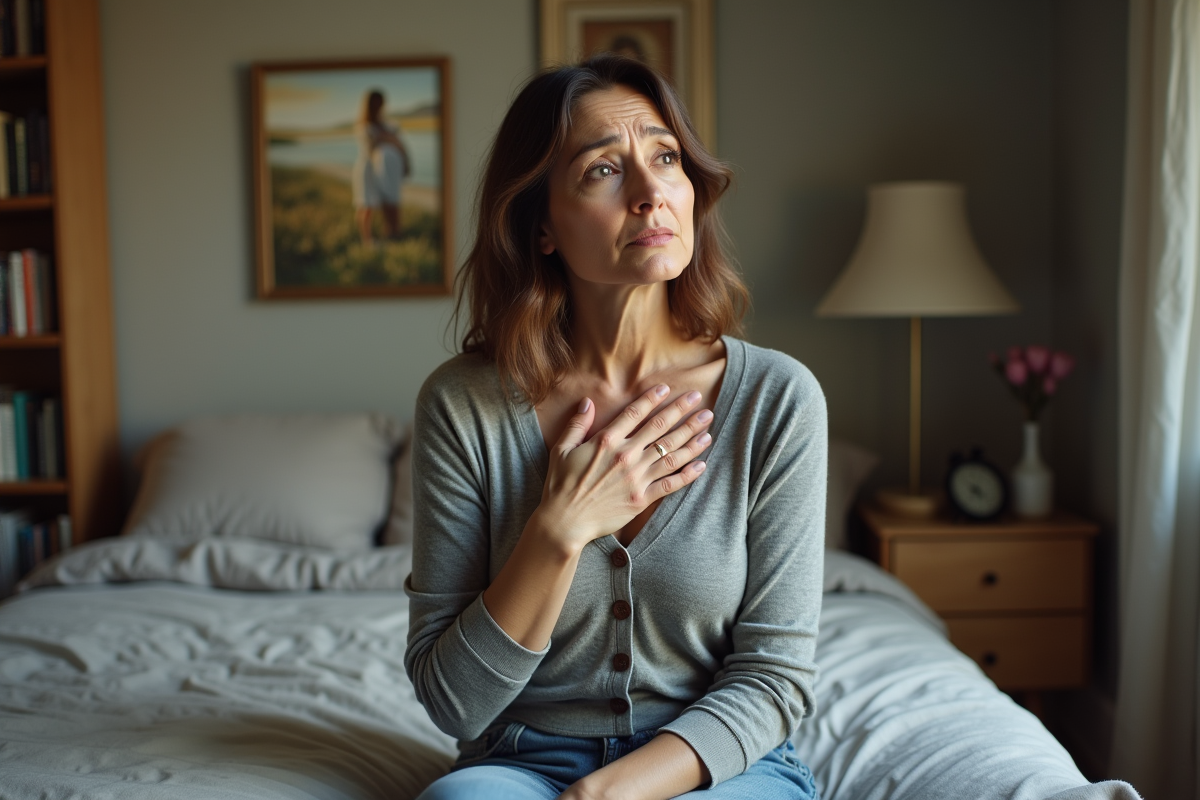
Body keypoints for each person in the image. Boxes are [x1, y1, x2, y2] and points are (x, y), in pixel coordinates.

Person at [405, 54, 826, 800]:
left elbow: (774, 677)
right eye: (603, 169)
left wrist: (606, 793)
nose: (650, 193)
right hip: (520, 763)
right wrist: (559, 529)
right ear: (541, 226)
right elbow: (452, 703)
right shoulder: (463, 405)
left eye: (666, 159)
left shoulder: (777, 399)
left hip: (715, 767)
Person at [352, 89, 410, 245]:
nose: (379, 106)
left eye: (381, 103)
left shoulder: (385, 124)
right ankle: (367, 240)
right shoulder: (365, 126)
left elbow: (397, 142)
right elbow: (372, 147)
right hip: (367, 169)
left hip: (382, 169)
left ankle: (391, 233)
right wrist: (389, 138)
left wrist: (404, 162)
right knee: (366, 204)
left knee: (387, 200)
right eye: (376, 103)